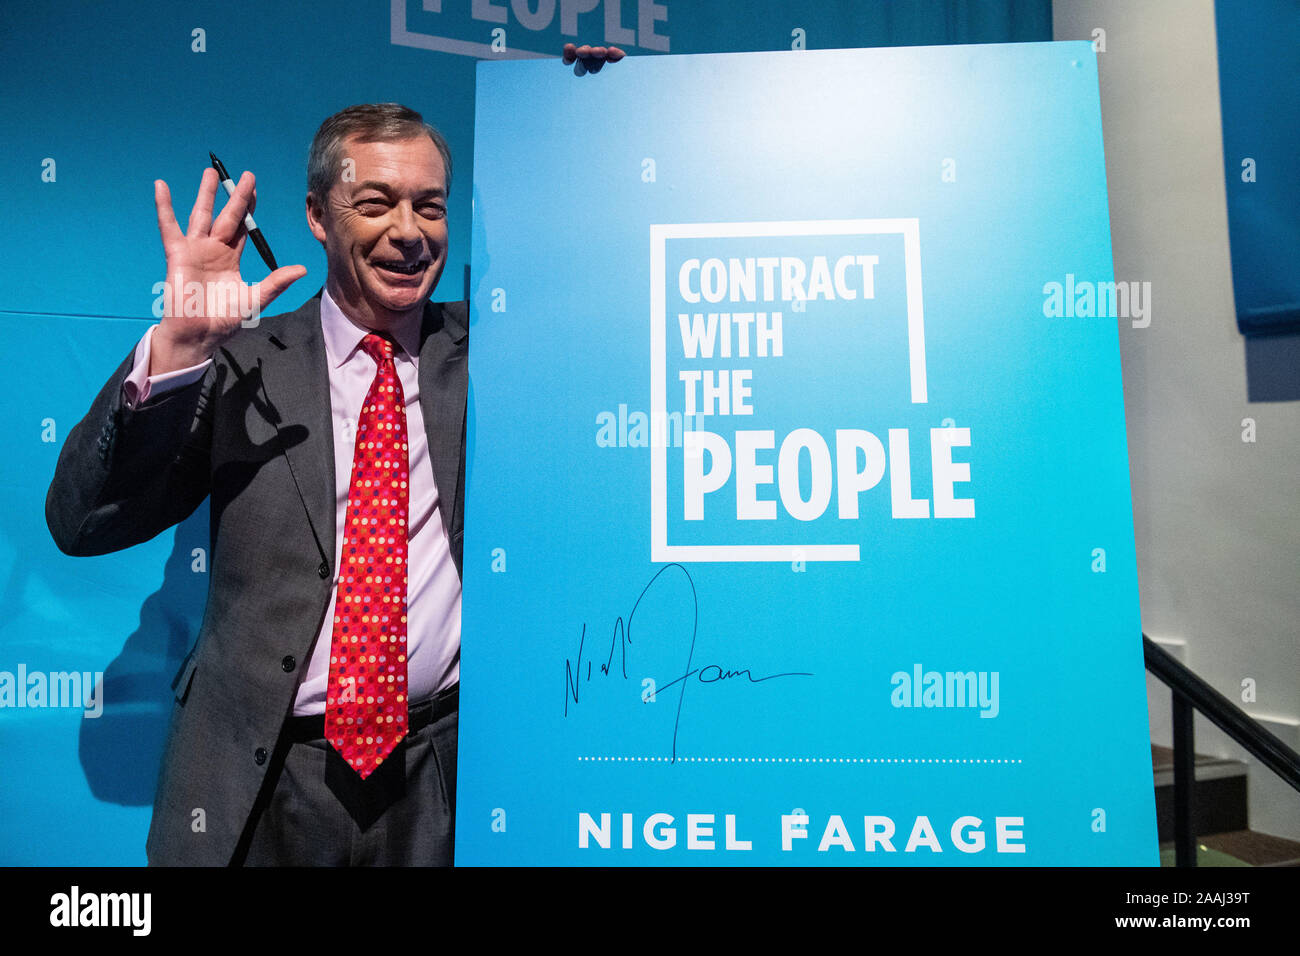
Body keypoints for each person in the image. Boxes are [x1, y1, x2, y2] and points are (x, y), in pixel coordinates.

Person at [46, 45, 623, 866]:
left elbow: (615, 278)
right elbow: (84, 521)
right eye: (376, 202)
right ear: (318, 216)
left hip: (441, 779)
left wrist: (601, 108)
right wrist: (178, 347)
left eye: (430, 206)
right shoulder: (239, 358)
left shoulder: (500, 351)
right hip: (263, 783)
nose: (408, 231)